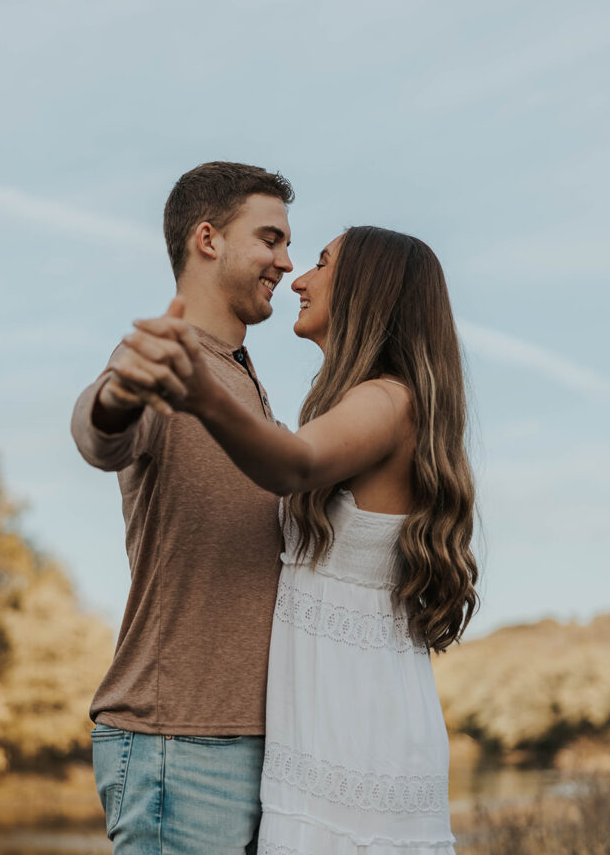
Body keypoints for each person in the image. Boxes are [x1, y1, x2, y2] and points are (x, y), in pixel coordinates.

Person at [130, 226, 479, 855]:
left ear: (368, 292)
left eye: (320, 263)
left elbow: (291, 465)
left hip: (354, 735)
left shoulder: (388, 399)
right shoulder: (367, 402)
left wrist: (201, 388)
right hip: (326, 728)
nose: (298, 278)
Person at [70, 161, 294, 854]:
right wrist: (118, 395)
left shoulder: (241, 378)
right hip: (179, 747)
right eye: (270, 239)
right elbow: (101, 432)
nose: (285, 262)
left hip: (248, 744)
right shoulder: (165, 359)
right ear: (208, 239)